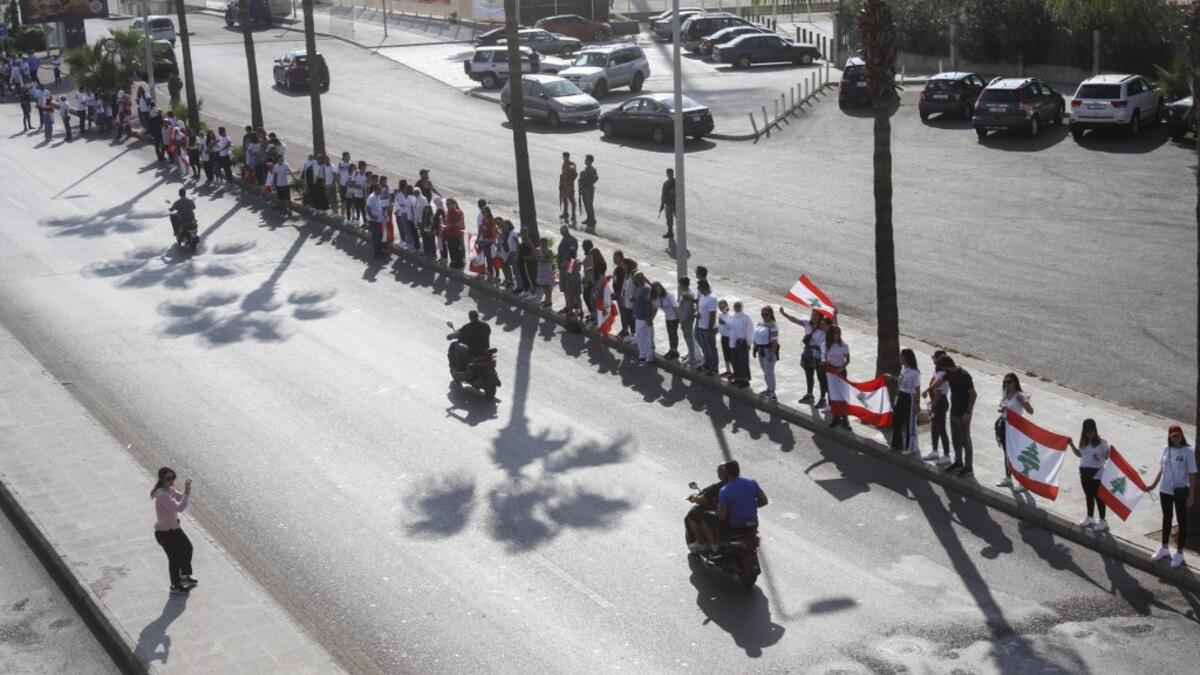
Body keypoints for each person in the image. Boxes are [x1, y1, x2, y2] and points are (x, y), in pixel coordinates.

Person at [1148, 424, 1197, 569]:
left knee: (1182, 520)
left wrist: (1191, 496)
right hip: (1165, 491)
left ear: (1182, 435)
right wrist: (1153, 485)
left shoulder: (1188, 451)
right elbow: (1161, 470)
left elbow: (1192, 475)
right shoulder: (1165, 449)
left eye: (1179, 435)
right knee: (1166, 518)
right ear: (1170, 437)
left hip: (1181, 490)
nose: (1177, 438)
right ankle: (1164, 547)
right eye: (1174, 436)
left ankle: (1180, 553)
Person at [699, 460, 768, 551]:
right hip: (753, 524)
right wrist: (750, 505)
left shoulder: (725, 490)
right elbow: (764, 501)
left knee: (705, 517)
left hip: (736, 527)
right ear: (738, 470)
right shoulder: (751, 482)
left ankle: (714, 549)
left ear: (726, 473)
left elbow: (721, 516)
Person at [925, 356, 976, 477]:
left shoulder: (964, 375)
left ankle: (968, 467)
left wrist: (968, 412)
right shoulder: (948, 373)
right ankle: (958, 462)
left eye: (942, 367)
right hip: (954, 411)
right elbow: (940, 382)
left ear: (946, 365)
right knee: (955, 439)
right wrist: (929, 388)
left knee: (965, 440)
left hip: (964, 413)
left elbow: (973, 394)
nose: (941, 370)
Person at [150, 467, 197, 595]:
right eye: (168, 479)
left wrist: (186, 490)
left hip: (174, 529)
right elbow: (179, 507)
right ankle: (175, 585)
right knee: (174, 558)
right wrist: (186, 494)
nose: (171, 481)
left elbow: (180, 496)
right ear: (162, 479)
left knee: (188, 548)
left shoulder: (169, 490)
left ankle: (183, 576)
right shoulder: (162, 495)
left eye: (173, 478)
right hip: (165, 533)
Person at [1067, 419, 1110, 532]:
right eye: (1087, 432)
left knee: (1099, 497)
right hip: (1084, 472)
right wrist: (1071, 445)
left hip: (1097, 473)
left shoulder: (1103, 442)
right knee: (1088, 495)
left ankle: (1103, 520)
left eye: (1091, 431)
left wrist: (1100, 456)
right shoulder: (1084, 442)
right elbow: (1079, 454)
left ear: (1095, 430)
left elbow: (1106, 457)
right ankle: (1090, 517)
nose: (1090, 434)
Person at [994, 373, 1034, 491]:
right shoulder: (1006, 394)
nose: (1006, 384)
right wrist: (1001, 409)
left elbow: (1031, 411)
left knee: (1017, 454)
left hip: (1015, 428)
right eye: (1004, 382)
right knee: (1007, 453)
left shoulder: (1019, 396)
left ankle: (1023, 481)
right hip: (1004, 425)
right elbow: (999, 407)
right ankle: (1008, 477)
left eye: (1009, 382)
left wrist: (1024, 402)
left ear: (1015, 383)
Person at [778, 307, 824, 407]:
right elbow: (795, 320)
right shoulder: (807, 324)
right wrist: (784, 314)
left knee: (821, 378)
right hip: (808, 354)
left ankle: (823, 398)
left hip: (819, 356)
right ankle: (809, 394)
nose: (812, 317)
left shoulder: (823, 328)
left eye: (815, 315)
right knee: (809, 375)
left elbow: (834, 328)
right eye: (812, 314)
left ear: (820, 317)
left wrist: (835, 316)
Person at [685, 463, 729, 552]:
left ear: (722, 474)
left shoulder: (719, 487)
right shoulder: (742, 484)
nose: (717, 472)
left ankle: (705, 543)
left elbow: (702, 499)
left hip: (725, 518)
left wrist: (693, 497)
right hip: (740, 519)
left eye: (718, 471)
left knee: (695, 514)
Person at [885, 348, 921, 455]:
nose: (900, 358)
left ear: (907, 358)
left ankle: (911, 447)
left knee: (910, 423)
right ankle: (896, 444)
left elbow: (917, 389)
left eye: (902, 356)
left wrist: (917, 403)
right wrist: (891, 378)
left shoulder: (915, 373)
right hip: (900, 395)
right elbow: (901, 380)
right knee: (896, 420)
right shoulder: (904, 368)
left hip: (910, 397)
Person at [924, 350, 952, 466]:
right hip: (937, 402)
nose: (932, 359)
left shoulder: (942, 375)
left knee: (941, 429)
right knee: (934, 427)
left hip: (940, 403)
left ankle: (946, 455)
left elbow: (938, 394)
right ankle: (935, 450)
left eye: (934, 358)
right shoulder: (938, 372)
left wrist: (932, 407)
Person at [824, 325, 851, 429]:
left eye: (838, 333)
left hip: (841, 371)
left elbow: (848, 360)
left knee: (843, 395)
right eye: (834, 333)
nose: (836, 335)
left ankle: (845, 419)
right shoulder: (826, 345)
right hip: (831, 373)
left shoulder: (844, 345)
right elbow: (824, 357)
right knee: (833, 396)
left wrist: (842, 367)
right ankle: (836, 418)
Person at [754, 307, 780, 401]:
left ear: (771, 314)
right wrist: (754, 349)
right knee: (765, 371)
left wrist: (771, 353)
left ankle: (772, 392)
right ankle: (769, 388)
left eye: (766, 314)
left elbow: (775, 342)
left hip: (768, 351)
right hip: (761, 350)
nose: (764, 316)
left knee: (769, 372)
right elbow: (756, 337)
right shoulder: (760, 324)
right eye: (763, 314)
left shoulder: (773, 326)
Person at [696, 279, 719, 375]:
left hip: (708, 328)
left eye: (699, 287)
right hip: (701, 326)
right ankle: (707, 363)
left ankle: (714, 368)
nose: (698, 289)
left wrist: (710, 329)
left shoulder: (712, 298)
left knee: (711, 348)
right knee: (704, 347)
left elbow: (712, 315)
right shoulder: (703, 296)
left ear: (703, 287)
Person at [633, 272, 655, 365]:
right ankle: (642, 356)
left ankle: (648, 358)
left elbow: (649, 304)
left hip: (643, 318)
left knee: (645, 337)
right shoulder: (640, 287)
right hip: (639, 316)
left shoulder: (646, 288)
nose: (635, 281)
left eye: (636, 278)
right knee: (640, 337)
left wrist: (648, 317)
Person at [652, 281, 679, 359]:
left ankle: (675, 351)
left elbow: (675, 308)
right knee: (670, 334)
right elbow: (655, 308)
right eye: (656, 290)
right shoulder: (656, 298)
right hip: (667, 317)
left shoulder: (669, 295)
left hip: (674, 318)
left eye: (659, 289)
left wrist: (679, 320)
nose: (658, 291)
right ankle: (672, 349)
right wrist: (651, 319)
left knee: (673, 334)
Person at [677, 277, 698, 367]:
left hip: (686, 321)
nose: (679, 286)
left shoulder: (687, 295)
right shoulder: (687, 293)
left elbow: (686, 310)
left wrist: (683, 322)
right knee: (687, 338)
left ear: (682, 284)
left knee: (689, 339)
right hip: (685, 320)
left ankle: (692, 358)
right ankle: (690, 353)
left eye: (680, 284)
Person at [365, 184, 386, 258]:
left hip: (378, 219)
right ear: (375, 189)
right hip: (373, 220)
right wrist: (371, 216)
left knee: (379, 236)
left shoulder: (378, 196)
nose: (380, 191)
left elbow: (379, 207)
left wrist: (384, 214)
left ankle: (379, 251)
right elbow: (368, 207)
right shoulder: (371, 197)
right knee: (377, 237)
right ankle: (377, 253)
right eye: (379, 189)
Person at [579, 154, 598, 230]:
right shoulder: (586, 169)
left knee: (589, 205)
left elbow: (596, 178)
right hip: (584, 189)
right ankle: (588, 218)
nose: (585, 161)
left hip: (589, 190)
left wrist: (588, 183)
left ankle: (592, 220)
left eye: (587, 159)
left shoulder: (592, 169)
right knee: (586, 205)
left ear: (590, 161)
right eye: (585, 159)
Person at [445, 198, 466, 268]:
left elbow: (459, 223)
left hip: (456, 234)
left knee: (456, 249)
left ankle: (459, 263)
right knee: (451, 249)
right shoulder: (448, 212)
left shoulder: (457, 212)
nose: (447, 205)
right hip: (449, 234)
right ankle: (453, 262)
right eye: (447, 204)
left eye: (449, 204)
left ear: (454, 204)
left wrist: (450, 225)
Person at [559, 152, 577, 224]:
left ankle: (573, 215)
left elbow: (573, 170)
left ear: (567, 157)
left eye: (564, 157)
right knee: (564, 199)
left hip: (569, 185)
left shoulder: (571, 164)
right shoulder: (564, 164)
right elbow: (562, 174)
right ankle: (565, 213)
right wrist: (561, 183)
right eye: (563, 157)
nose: (563, 158)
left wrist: (568, 167)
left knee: (571, 200)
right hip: (564, 184)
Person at [659, 168, 676, 239]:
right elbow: (663, 194)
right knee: (669, 219)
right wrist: (662, 204)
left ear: (673, 174)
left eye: (670, 173)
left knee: (678, 218)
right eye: (668, 174)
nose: (669, 175)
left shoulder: (676, 182)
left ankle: (681, 232)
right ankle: (670, 232)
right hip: (668, 204)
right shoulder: (665, 183)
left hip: (675, 203)